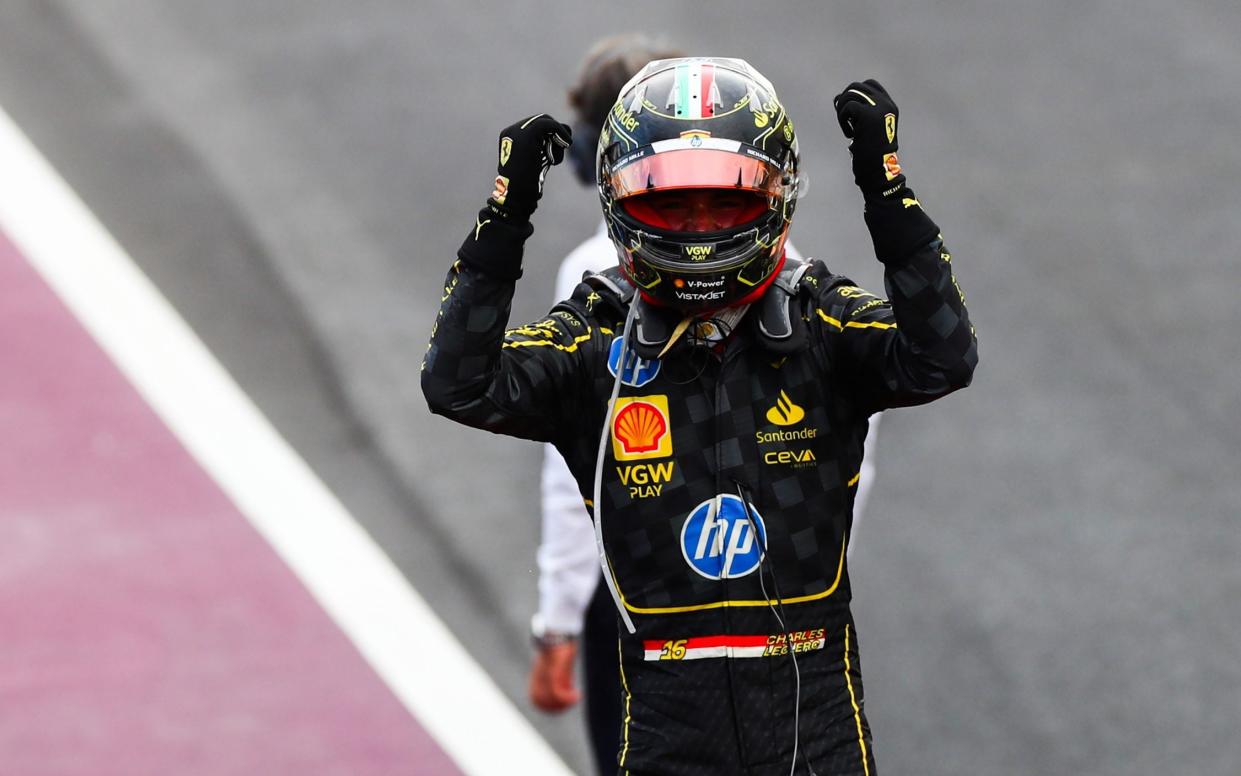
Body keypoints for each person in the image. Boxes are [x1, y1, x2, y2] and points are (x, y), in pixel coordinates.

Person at [423, 57, 977, 775]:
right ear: (621, 201)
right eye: (673, 205)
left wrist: (888, 194)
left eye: (724, 204)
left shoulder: (821, 322)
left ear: (776, 197)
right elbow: (458, 386)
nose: (699, 229)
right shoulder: (592, 339)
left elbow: (943, 357)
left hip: (814, 725)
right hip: (663, 723)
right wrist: (503, 219)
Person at [529, 37, 884, 776]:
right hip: (782, 601)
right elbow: (855, 434)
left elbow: (575, 480)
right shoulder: (786, 269)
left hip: (638, 602)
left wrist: (557, 618)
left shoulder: (589, 277)